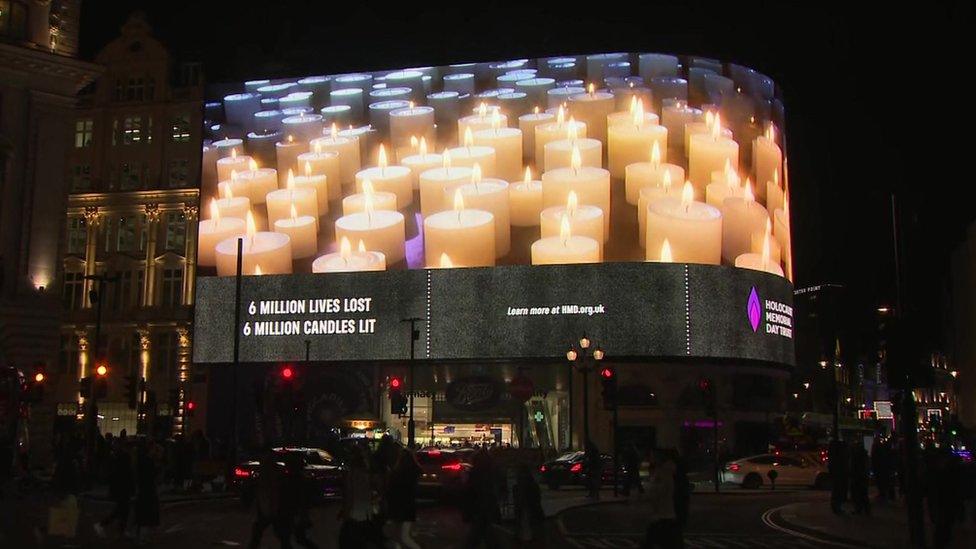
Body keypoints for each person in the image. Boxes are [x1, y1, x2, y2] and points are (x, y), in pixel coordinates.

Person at [338, 447, 381, 548]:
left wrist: (345, 511)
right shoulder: (366, 474)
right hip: (366, 512)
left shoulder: (352, 475)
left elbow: (350, 495)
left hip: (355, 513)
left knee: (351, 541)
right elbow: (375, 490)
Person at [248, 450, 292, 549]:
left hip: (270, 506)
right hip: (271, 506)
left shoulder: (267, 472)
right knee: (281, 536)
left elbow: (269, 491)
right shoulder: (274, 471)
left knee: (259, 533)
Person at [94, 438, 134, 538]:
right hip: (123, 487)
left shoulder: (116, 457)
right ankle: (104, 524)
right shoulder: (124, 457)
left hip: (120, 487)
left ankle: (120, 530)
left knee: (123, 509)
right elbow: (126, 474)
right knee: (122, 509)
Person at [464, 448, 501, 548]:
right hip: (485, 507)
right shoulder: (490, 472)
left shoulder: (475, 473)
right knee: (485, 533)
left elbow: (469, 492)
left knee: (479, 533)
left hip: (479, 507)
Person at [385, 448, 421, 549]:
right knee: (402, 536)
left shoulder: (396, 473)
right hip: (408, 505)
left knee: (399, 536)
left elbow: (390, 491)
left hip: (398, 506)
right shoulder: (413, 472)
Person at [642, 449, 678, 549]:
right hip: (664, 515)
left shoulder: (663, 473)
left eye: (652, 457)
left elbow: (659, 492)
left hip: (662, 516)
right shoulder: (663, 472)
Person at [133, 440, 161, 542]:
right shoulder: (148, 461)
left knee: (143, 513)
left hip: (144, 489)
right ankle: (142, 536)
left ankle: (140, 534)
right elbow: (151, 475)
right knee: (147, 512)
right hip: (147, 489)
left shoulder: (143, 460)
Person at [513, 463, 544, 546]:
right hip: (531, 511)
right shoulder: (532, 486)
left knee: (527, 530)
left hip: (527, 511)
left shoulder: (518, 487)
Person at [670, 448, 690, 547]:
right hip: (682, 495)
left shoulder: (673, 468)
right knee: (679, 523)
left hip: (678, 496)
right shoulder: (680, 466)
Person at [828, 439, 849, 514]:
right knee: (838, 490)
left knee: (837, 490)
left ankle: (836, 506)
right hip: (840, 474)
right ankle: (837, 507)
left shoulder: (833, 457)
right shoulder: (840, 457)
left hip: (838, 474)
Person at [850, 444, 870, 516]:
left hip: (858, 477)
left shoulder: (857, 457)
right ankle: (865, 510)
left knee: (858, 494)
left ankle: (860, 509)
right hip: (861, 477)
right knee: (863, 494)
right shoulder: (863, 456)